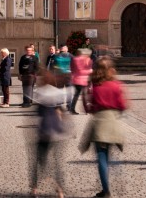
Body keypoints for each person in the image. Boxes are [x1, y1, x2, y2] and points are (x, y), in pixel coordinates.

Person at [82, 57, 127, 198]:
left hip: (100, 123)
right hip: (114, 123)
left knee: (102, 157)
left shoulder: (95, 86)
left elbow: (89, 107)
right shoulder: (117, 84)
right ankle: (117, 183)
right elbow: (123, 105)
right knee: (110, 155)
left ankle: (106, 190)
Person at [30, 69, 69, 198]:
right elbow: (61, 111)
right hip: (57, 131)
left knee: (38, 160)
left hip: (44, 130)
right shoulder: (56, 93)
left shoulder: (40, 93)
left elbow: (38, 113)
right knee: (57, 162)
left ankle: (34, 189)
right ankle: (60, 190)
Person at [69, 47, 92, 114]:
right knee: (84, 95)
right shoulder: (83, 59)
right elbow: (81, 71)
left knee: (77, 94)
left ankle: (72, 109)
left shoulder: (74, 59)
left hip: (75, 79)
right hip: (83, 80)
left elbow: (72, 69)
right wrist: (90, 71)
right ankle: (87, 110)